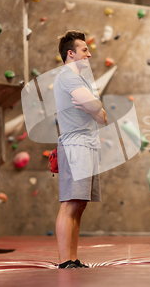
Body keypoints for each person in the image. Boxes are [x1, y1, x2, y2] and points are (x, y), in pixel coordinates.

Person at [54, 30, 107, 269]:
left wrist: (95, 108)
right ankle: (65, 260)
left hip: (87, 144)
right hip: (75, 144)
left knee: (80, 203)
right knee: (70, 203)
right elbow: (94, 107)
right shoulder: (68, 75)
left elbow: (102, 115)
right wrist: (94, 108)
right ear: (71, 54)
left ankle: (73, 258)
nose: (90, 54)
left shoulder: (82, 79)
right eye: (84, 50)